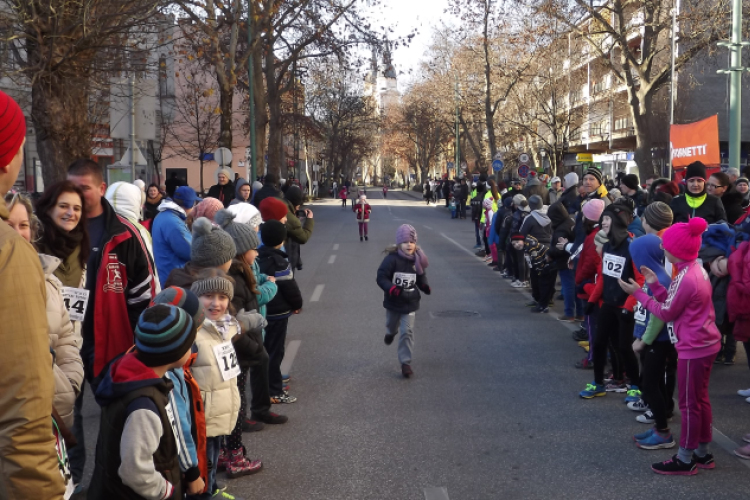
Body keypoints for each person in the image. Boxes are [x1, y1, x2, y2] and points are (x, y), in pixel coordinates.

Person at [67, 158, 158, 490]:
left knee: (115, 419)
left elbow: (144, 293)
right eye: (70, 188)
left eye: (83, 189)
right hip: (63, 347)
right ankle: (72, 486)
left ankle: (111, 485)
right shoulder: (56, 227)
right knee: (67, 422)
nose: (76, 196)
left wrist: (139, 345)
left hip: (111, 346)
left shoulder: (123, 232)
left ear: (101, 189)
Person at [619, 217, 721, 475]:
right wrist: (653, 284)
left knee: (689, 405)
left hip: (693, 346)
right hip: (703, 342)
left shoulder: (687, 276)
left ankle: (686, 458)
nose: (662, 248)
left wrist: (639, 292)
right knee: (700, 400)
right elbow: (674, 304)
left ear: (678, 250)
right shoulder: (692, 270)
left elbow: (665, 313)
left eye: (666, 245)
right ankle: (702, 453)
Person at [4, 192, 82, 496]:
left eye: (23, 225)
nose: (17, 232)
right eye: (8, 224)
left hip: (55, 418)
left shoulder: (49, 282)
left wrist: (70, 383)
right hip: (14, 425)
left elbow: (66, 340)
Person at [87, 304, 196, 499]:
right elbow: (134, 471)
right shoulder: (144, 406)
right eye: (190, 344)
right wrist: (166, 491)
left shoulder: (129, 375)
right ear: (174, 353)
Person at [214, 210, 287, 430]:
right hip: (242, 333)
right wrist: (271, 285)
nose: (257, 253)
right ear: (241, 251)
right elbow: (246, 302)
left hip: (250, 330)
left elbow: (255, 282)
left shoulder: (244, 269)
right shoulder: (234, 277)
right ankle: (242, 417)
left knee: (260, 363)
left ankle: (259, 409)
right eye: (253, 249)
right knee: (240, 377)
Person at [189, 269, 256, 495]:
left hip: (221, 412)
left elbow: (236, 326)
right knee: (203, 466)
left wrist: (247, 322)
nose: (215, 303)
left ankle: (213, 490)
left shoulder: (224, 327)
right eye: (208, 296)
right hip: (202, 417)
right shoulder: (193, 334)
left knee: (213, 458)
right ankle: (207, 493)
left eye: (222, 297)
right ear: (196, 298)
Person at [579, 204, 644, 398]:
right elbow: (605, 278)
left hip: (626, 306)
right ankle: (598, 383)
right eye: (603, 219)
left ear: (618, 221)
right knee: (599, 344)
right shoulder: (607, 246)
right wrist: (592, 301)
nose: (603, 222)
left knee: (625, 347)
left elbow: (639, 281)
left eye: (607, 219)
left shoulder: (632, 246)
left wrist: (628, 306)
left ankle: (635, 386)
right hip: (608, 302)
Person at [628, 234, 677, 447]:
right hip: (653, 340)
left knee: (649, 385)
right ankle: (658, 426)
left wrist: (642, 341)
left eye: (635, 255)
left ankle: (664, 433)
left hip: (659, 340)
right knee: (652, 383)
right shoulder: (654, 275)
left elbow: (658, 316)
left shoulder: (660, 278)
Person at [257, 220, 303, 403]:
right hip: (278, 313)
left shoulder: (256, 258)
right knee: (275, 352)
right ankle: (274, 390)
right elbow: (289, 287)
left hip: (260, 311)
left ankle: (265, 385)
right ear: (281, 240)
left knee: (263, 349)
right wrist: (297, 304)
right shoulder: (280, 261)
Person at [376, 224, 430, 378]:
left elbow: (420, 276)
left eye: (412, 242)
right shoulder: (391, 260)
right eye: (405, 242)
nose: (409, 245)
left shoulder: (418, 259)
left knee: (407, 331)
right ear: (399, 244)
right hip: (394, 301)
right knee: (392, 325)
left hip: (410, 302)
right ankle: (390, 332)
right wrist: (391, 288)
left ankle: (405, 363)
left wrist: (424, 285)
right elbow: (381, 277)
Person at [34, 181, 89, 294]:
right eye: (63, 206)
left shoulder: (82, 242)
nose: (71, 213)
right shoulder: (33, 241)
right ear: (48, 208)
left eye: (76, 209)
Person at [105, 181, 160, 289]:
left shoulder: (97, 225)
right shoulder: (137, 231)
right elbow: (148, 269)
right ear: (134, 202)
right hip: (130, 296)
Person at [152, 185, 198, 285]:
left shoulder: (163, 215)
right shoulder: (174, 223)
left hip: (166, 275)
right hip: (175, 279)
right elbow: (192, 252)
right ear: (189, 204)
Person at [547, 202, 578, 321]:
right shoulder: (570, 221)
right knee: (576, 288)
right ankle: (579, 313)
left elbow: (559, 248)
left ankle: (569, 313)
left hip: (565, 261)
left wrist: (550, 254)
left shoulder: (560, 229)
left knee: (569, 287)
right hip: (574, 258)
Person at [511, 232, 556, 313]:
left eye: (517, 242)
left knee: (544, 286)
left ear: (522, 240)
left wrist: (539, 271)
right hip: (540, 265)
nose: (516, 245)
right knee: (535, 283)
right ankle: (539, 301)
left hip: (546, 265)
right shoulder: (526, 246)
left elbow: (537, 259)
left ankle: (543, 306)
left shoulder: (530, 246)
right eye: (514, 244)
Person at [282, 186, 314, 270]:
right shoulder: (289, 216)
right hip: (284, 254)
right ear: (297, 204)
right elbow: (303, 237)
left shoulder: (281, 203)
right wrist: (309, 219)